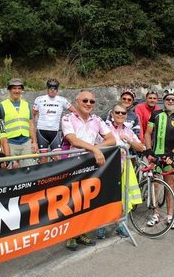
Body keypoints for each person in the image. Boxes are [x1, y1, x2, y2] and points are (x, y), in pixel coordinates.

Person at [61, 90, 116, 251]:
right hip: (72, 165)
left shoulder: (97, 119)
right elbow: (73, 140)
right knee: (71, 201)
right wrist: (95, 150)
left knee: (86, 201)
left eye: (92, 101)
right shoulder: (67, 118)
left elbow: (111, 139)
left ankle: (81, 232)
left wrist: (95, 149)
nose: (88, 104)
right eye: (85, 100)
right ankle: (69, 235)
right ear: (77, 101)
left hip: (91, 166)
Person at [96, 103, 144, 239]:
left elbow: (141, 147)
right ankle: (102, 225)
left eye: (123, 113)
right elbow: (96, 144)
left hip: (124, 169)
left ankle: (121, 225)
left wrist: (128, 140)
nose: (120, 115)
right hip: (108, 169)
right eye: (117, 112)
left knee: (123, 198)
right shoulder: (105, 129)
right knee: (105, 198)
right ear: (112, 114)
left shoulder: (128, 131)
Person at [144, 88, 174, 229]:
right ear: (164, 101)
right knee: (155, 184)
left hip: (170, 156)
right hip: (155, 155)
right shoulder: (155, 114)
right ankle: (155, 214)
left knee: (170, 185)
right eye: (168, 99)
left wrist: (173, 153)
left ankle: (169, 215)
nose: (170, 101)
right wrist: (149, 149)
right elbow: (148, 133)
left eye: (173, 99)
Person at [32, 78, 76, 163]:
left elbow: (74, 112)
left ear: (57, 90)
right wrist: (32, 130)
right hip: (42, 131)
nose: (53, 90)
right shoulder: (39, 99)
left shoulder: (62, 100)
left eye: (55, 88)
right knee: (43, 158)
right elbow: (32, 115)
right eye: (51, 88)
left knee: (58, 158)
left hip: (54, 132)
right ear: (47, 89)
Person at [0, 78, 37, 167]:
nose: (17, 91)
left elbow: (31, 124)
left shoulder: (26, 104)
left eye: (19, 88)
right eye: (14, 88)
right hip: (10, 143)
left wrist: (34, 142)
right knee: (11, 170)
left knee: (28, 169)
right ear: (9, 90)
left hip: (26, 142)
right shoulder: (2, 105)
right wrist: (1, 145)